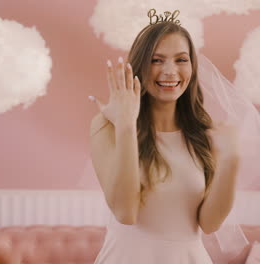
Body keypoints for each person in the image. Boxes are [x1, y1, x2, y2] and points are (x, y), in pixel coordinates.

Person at [87, 14, 241, 263]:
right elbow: (126, 213)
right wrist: (127, 124)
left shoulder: (207, 133)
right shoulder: (107, 126)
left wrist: (231, 161)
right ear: (139, 66)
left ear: (192, 66)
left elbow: (210, 223)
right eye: (156, 60)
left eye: (181, 59)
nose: (170, 71)